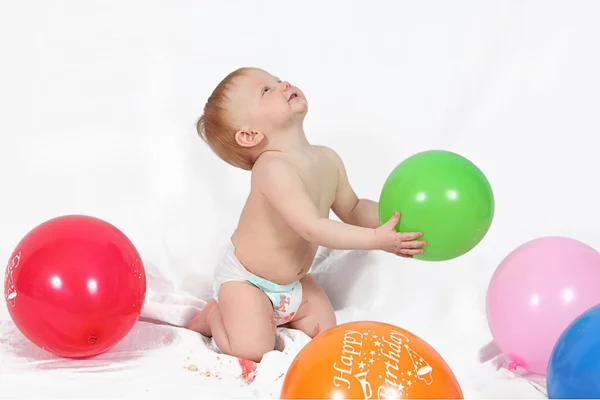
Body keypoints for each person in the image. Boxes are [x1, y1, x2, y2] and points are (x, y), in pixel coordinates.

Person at [185, 67, 426, 363]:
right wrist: (377, 240)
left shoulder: (327, 158)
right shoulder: (272, 169)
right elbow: (312, 228)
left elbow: (351, 209)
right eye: (266, 90)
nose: (283, 83)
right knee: (252, 349)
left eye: (276, 79)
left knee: (327, 335)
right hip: (248, 281)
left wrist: (397, 218)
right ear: (250, 135)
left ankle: (269, 316)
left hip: (293, 284)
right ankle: (216, 316)